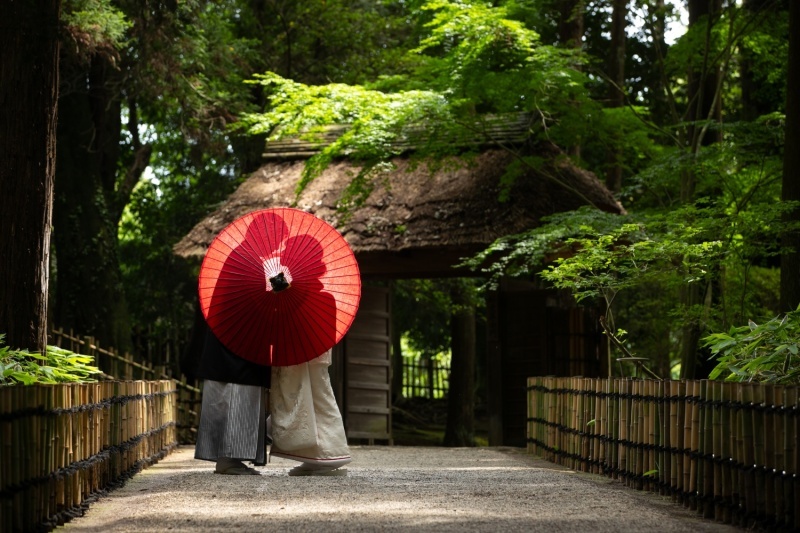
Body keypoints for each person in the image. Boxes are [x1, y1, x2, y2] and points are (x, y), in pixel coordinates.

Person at [184, 308, 272, 475]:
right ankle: (229, 458)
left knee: (234, 399)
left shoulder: (227, 288)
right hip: (238, 341)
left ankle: (231, 458)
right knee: (237, 399)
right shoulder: (242, 288)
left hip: (233, 337)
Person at [269, 348, 352, 476]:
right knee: (317, 397)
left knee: (318, 396)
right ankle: (316, 455)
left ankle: (330, 453)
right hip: (307, 345)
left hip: (304, 345)